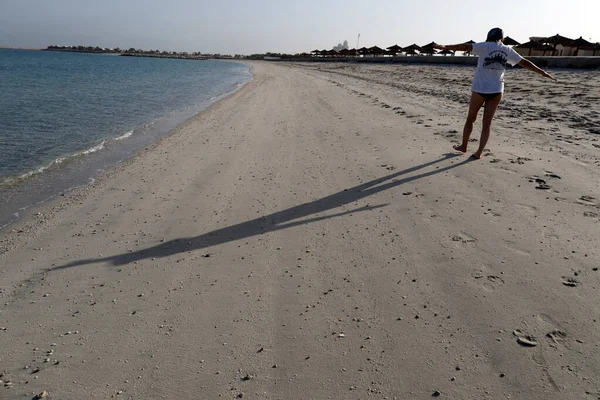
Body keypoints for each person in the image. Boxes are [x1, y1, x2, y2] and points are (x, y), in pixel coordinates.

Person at [433, 28, 556, 159]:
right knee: (487, 123)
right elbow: (525, 62)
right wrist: (542, 72)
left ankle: (464, 146)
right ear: (501, 38)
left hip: (480, 89)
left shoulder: (484, 46)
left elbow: (465, 47)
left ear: (488, 37)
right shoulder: (507, 50)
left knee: (471, 118)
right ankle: (479, 152)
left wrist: (445, 47)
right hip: (497, 90)